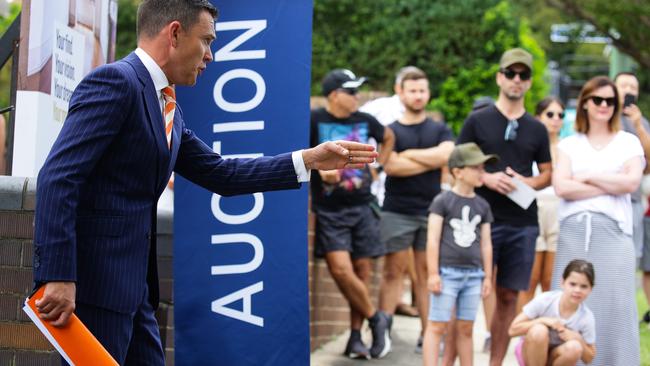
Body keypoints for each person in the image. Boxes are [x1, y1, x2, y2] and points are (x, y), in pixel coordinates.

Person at [32, 2, 378, 364]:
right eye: (207, 41)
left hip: (136, 296)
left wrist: (309, 160)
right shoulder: (116, 82)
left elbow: (221, 174)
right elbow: (59, 177)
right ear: (175, 33)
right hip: (93, 292)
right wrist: (57, 275)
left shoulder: (169, 107)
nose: (211, 56)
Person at [457, 48, 552, 366]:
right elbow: (456, 164)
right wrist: (486, 177)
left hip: (521, 222)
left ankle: (495, 363)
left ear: (529, 82)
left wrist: (525, 182)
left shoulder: (537, 128)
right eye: (510, 73)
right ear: (499, 77)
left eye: (523, 75)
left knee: (510, 295)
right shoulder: (477, 120)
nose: (516, 80)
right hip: (477, 219)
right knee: (469, 291)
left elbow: (548, 173)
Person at [552, 75, 643, 365]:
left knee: (617, 306)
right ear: (585, 104)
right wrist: (608, 183)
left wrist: (588, 177)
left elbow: (630, 183)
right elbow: (562, 187)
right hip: (574, 232)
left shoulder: (628, 142)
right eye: (598, 99)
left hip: (614, 233)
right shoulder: (569, 144)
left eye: (610, 101)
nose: (604, 105)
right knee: (570, 302)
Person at [311, 68, 395, 359]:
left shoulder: (364, 120)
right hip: (330, 210)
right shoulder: (314, 120)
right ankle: (376, 318)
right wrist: (321, 175)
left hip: (362, 205)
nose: (357, 97)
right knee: (340, 270)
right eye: (351, 92)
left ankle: (356, 338)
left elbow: (389, 137)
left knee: (361, 272)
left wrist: (378, 167)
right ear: (334, 95)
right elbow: (302, 155)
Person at [376, 66, 454, 355]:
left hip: (431, 211)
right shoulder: (391, 131)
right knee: (392, 271)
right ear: (400, 92)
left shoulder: (439, 128)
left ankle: (428, 334)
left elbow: (447, 154)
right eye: (412, 90)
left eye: (422, 90)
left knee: (426, 274)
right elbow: (391, 165)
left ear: (428, 93)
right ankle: (382, 335)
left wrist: (408, 156)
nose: (418, 95)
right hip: (396, 210)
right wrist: (427, 160)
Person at [422, 142, 496, 366]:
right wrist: (433, 273)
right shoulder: (442, 201)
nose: (481, 172)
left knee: (466, 327)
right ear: (458, 172)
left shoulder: (483, 205)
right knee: (437, 325)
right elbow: (432, 239)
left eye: (483, 168)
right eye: (476, 168)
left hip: (474, 275)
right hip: (446, 274)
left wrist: (487, 276)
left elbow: (486, 244)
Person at [517, 97, 565, 313]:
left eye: (560, 115)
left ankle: (545, 332)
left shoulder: (567, 147)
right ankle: (523, 335)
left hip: (559, 210)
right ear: (538, 117)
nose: (555, 120)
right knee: (529, 277)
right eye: (550, 114)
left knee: (551, 280)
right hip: (533, 207)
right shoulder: (529, 143)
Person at [509, 259, 596, 366]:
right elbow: (512, 330)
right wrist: (542, 320)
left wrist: (578, 338)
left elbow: (589, 358)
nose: (577, 290)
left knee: (575, 347)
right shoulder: (545, 300)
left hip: (555, 358)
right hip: (529, 355)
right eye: (572, 284)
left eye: (584, 286)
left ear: (590, 289)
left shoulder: (586, 317)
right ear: (562, 282)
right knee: (539, 330)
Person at [614, 71, 650, 324]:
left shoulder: (642, 122)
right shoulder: (604, 116)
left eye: (632, 86)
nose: (628, 90)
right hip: (607, 197)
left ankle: (626, 313)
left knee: (632, 257)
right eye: (623, 85)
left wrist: (638, 125)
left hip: (634, 201)